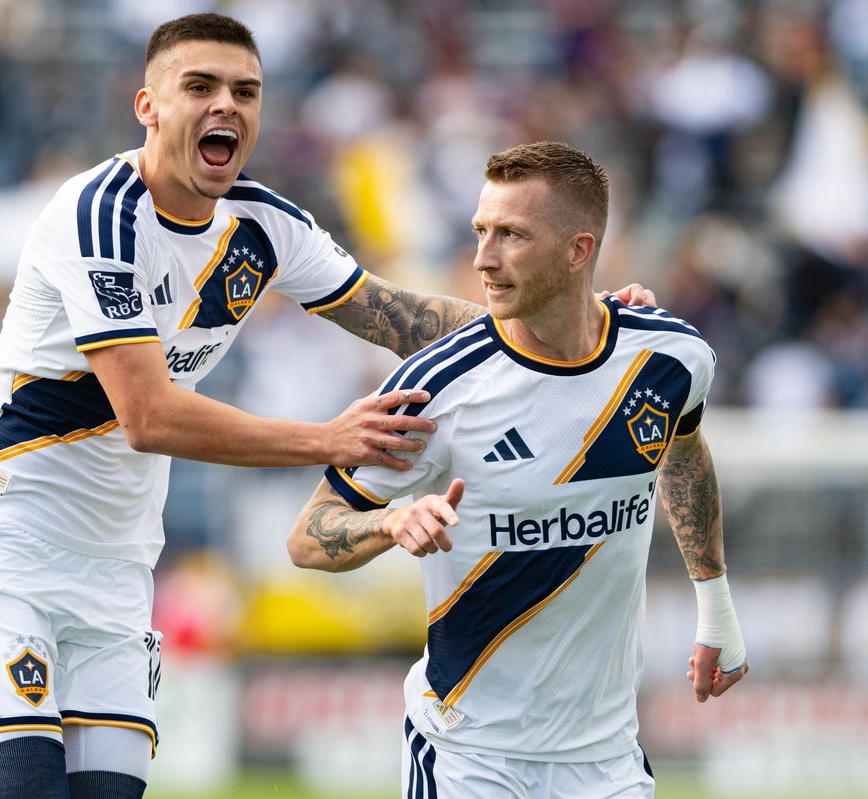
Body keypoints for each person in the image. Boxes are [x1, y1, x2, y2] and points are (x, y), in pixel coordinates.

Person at [0, 15, 655, 799]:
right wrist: (328, 439)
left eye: (245, 91)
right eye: (199, 87)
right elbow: (148, 416)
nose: (225, 106)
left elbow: (397, 315)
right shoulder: (98, 216)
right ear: (149, 106)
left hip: (117, 572)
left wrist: (580, 317)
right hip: (8, 548)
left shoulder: (264, 227)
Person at [287, 141, 748, 798]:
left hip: (607, 761)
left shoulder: (670, 357)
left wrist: (717, 608)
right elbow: (308, 535)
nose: (484, 257)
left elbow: (685, 451)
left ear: (578, 250)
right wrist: (392, 521)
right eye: (481, 231)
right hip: (470, 756)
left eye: (512, 235)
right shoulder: (440, 387)